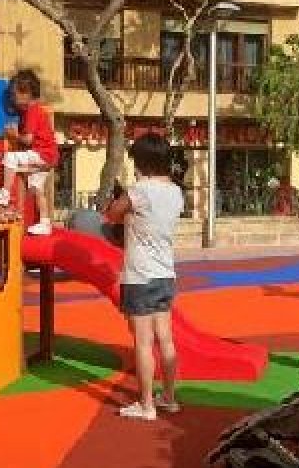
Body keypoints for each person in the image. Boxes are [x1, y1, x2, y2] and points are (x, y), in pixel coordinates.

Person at [103, 133, 183, 421]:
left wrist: (121, 193)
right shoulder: (176, 192)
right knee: (166, 338)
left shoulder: (139, 190)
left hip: (140, 275)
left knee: (143, 342)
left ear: (142, 161)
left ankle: (147, 404)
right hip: (165, 273)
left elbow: (111, 215)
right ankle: (169, 398)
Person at [0, 70, 59, 235]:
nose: (12, 98)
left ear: (26, 94)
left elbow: (29, 140)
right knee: (37, 188)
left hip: (42, 153)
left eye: (14, 94)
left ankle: (4, 193)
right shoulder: (36, 111)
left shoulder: (32, 111)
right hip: (50, 156)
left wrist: (13, 135)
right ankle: (45, 223)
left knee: (10, 157)